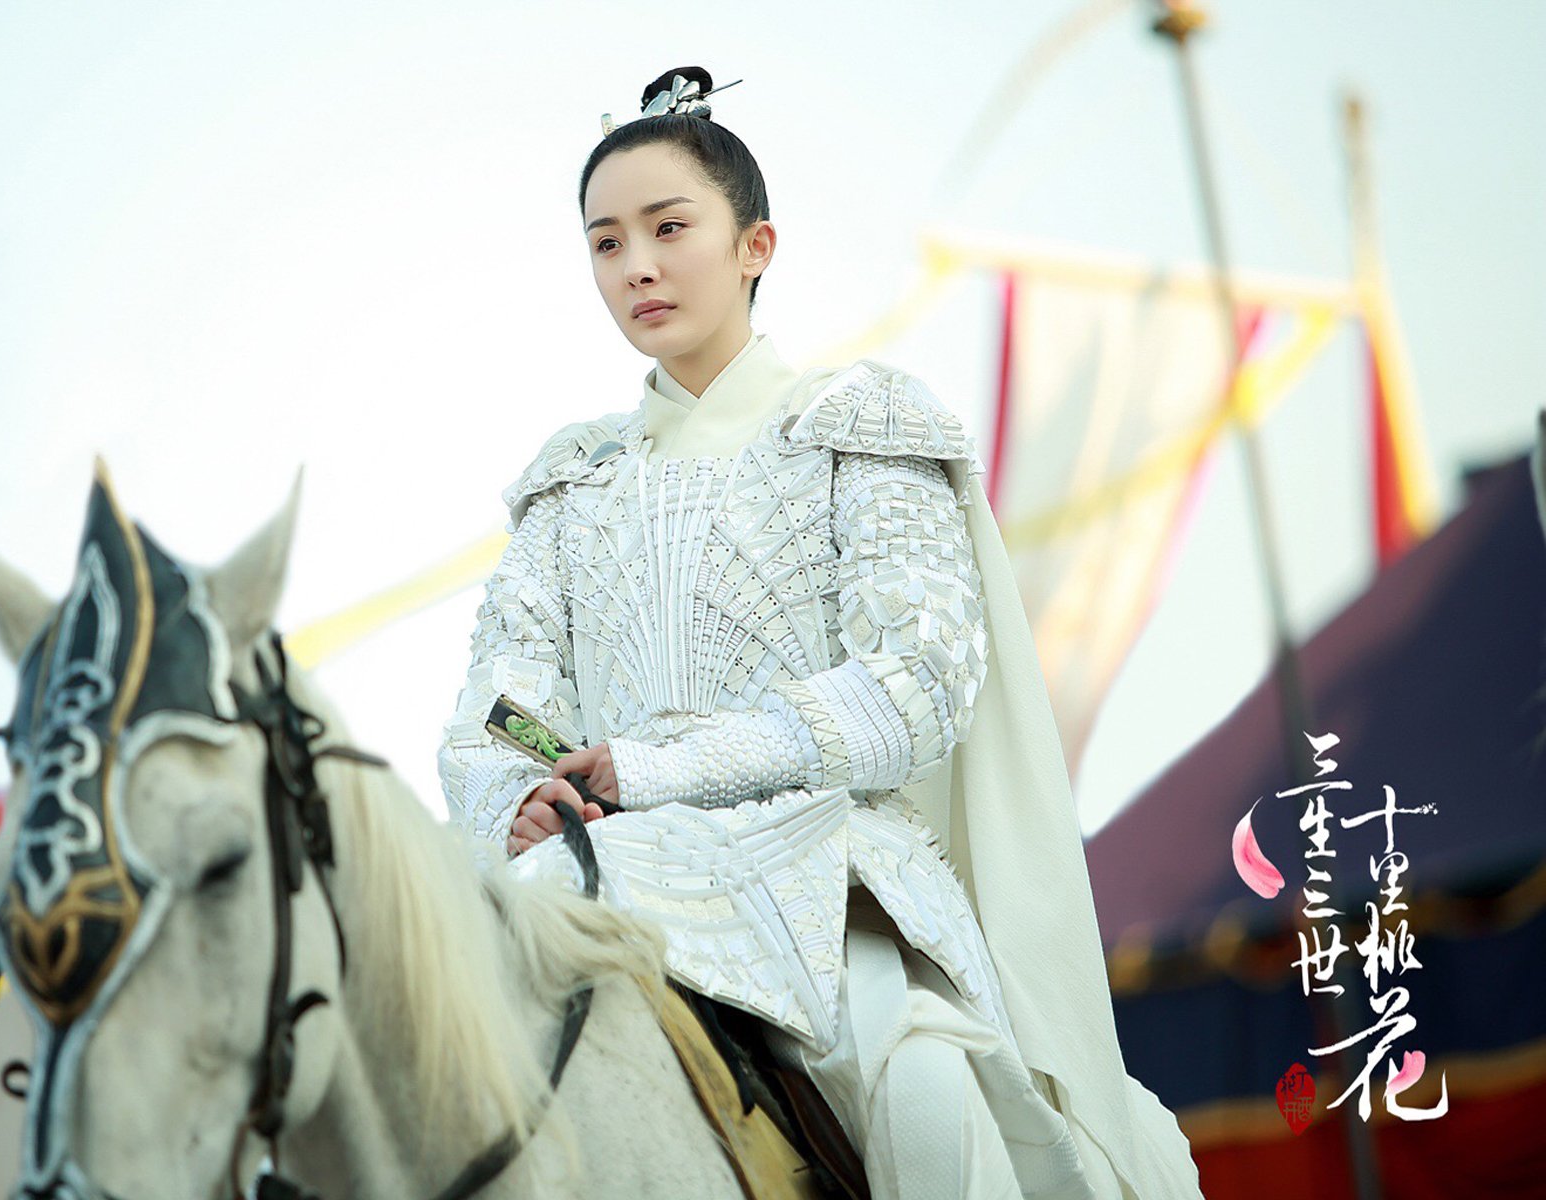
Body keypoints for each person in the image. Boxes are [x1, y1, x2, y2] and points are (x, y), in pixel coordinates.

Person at [436, 66, 1205, 1200]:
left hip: (827, 881)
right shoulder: (568, 484)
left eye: (668, 228)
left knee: (924, 1096)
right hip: (593, 878)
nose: (636, 265)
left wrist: (657, 769)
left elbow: (917, 686)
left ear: (756, 245)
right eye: (606, 242)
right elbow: (497, 711)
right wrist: (519, 799)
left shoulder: (861, 424)